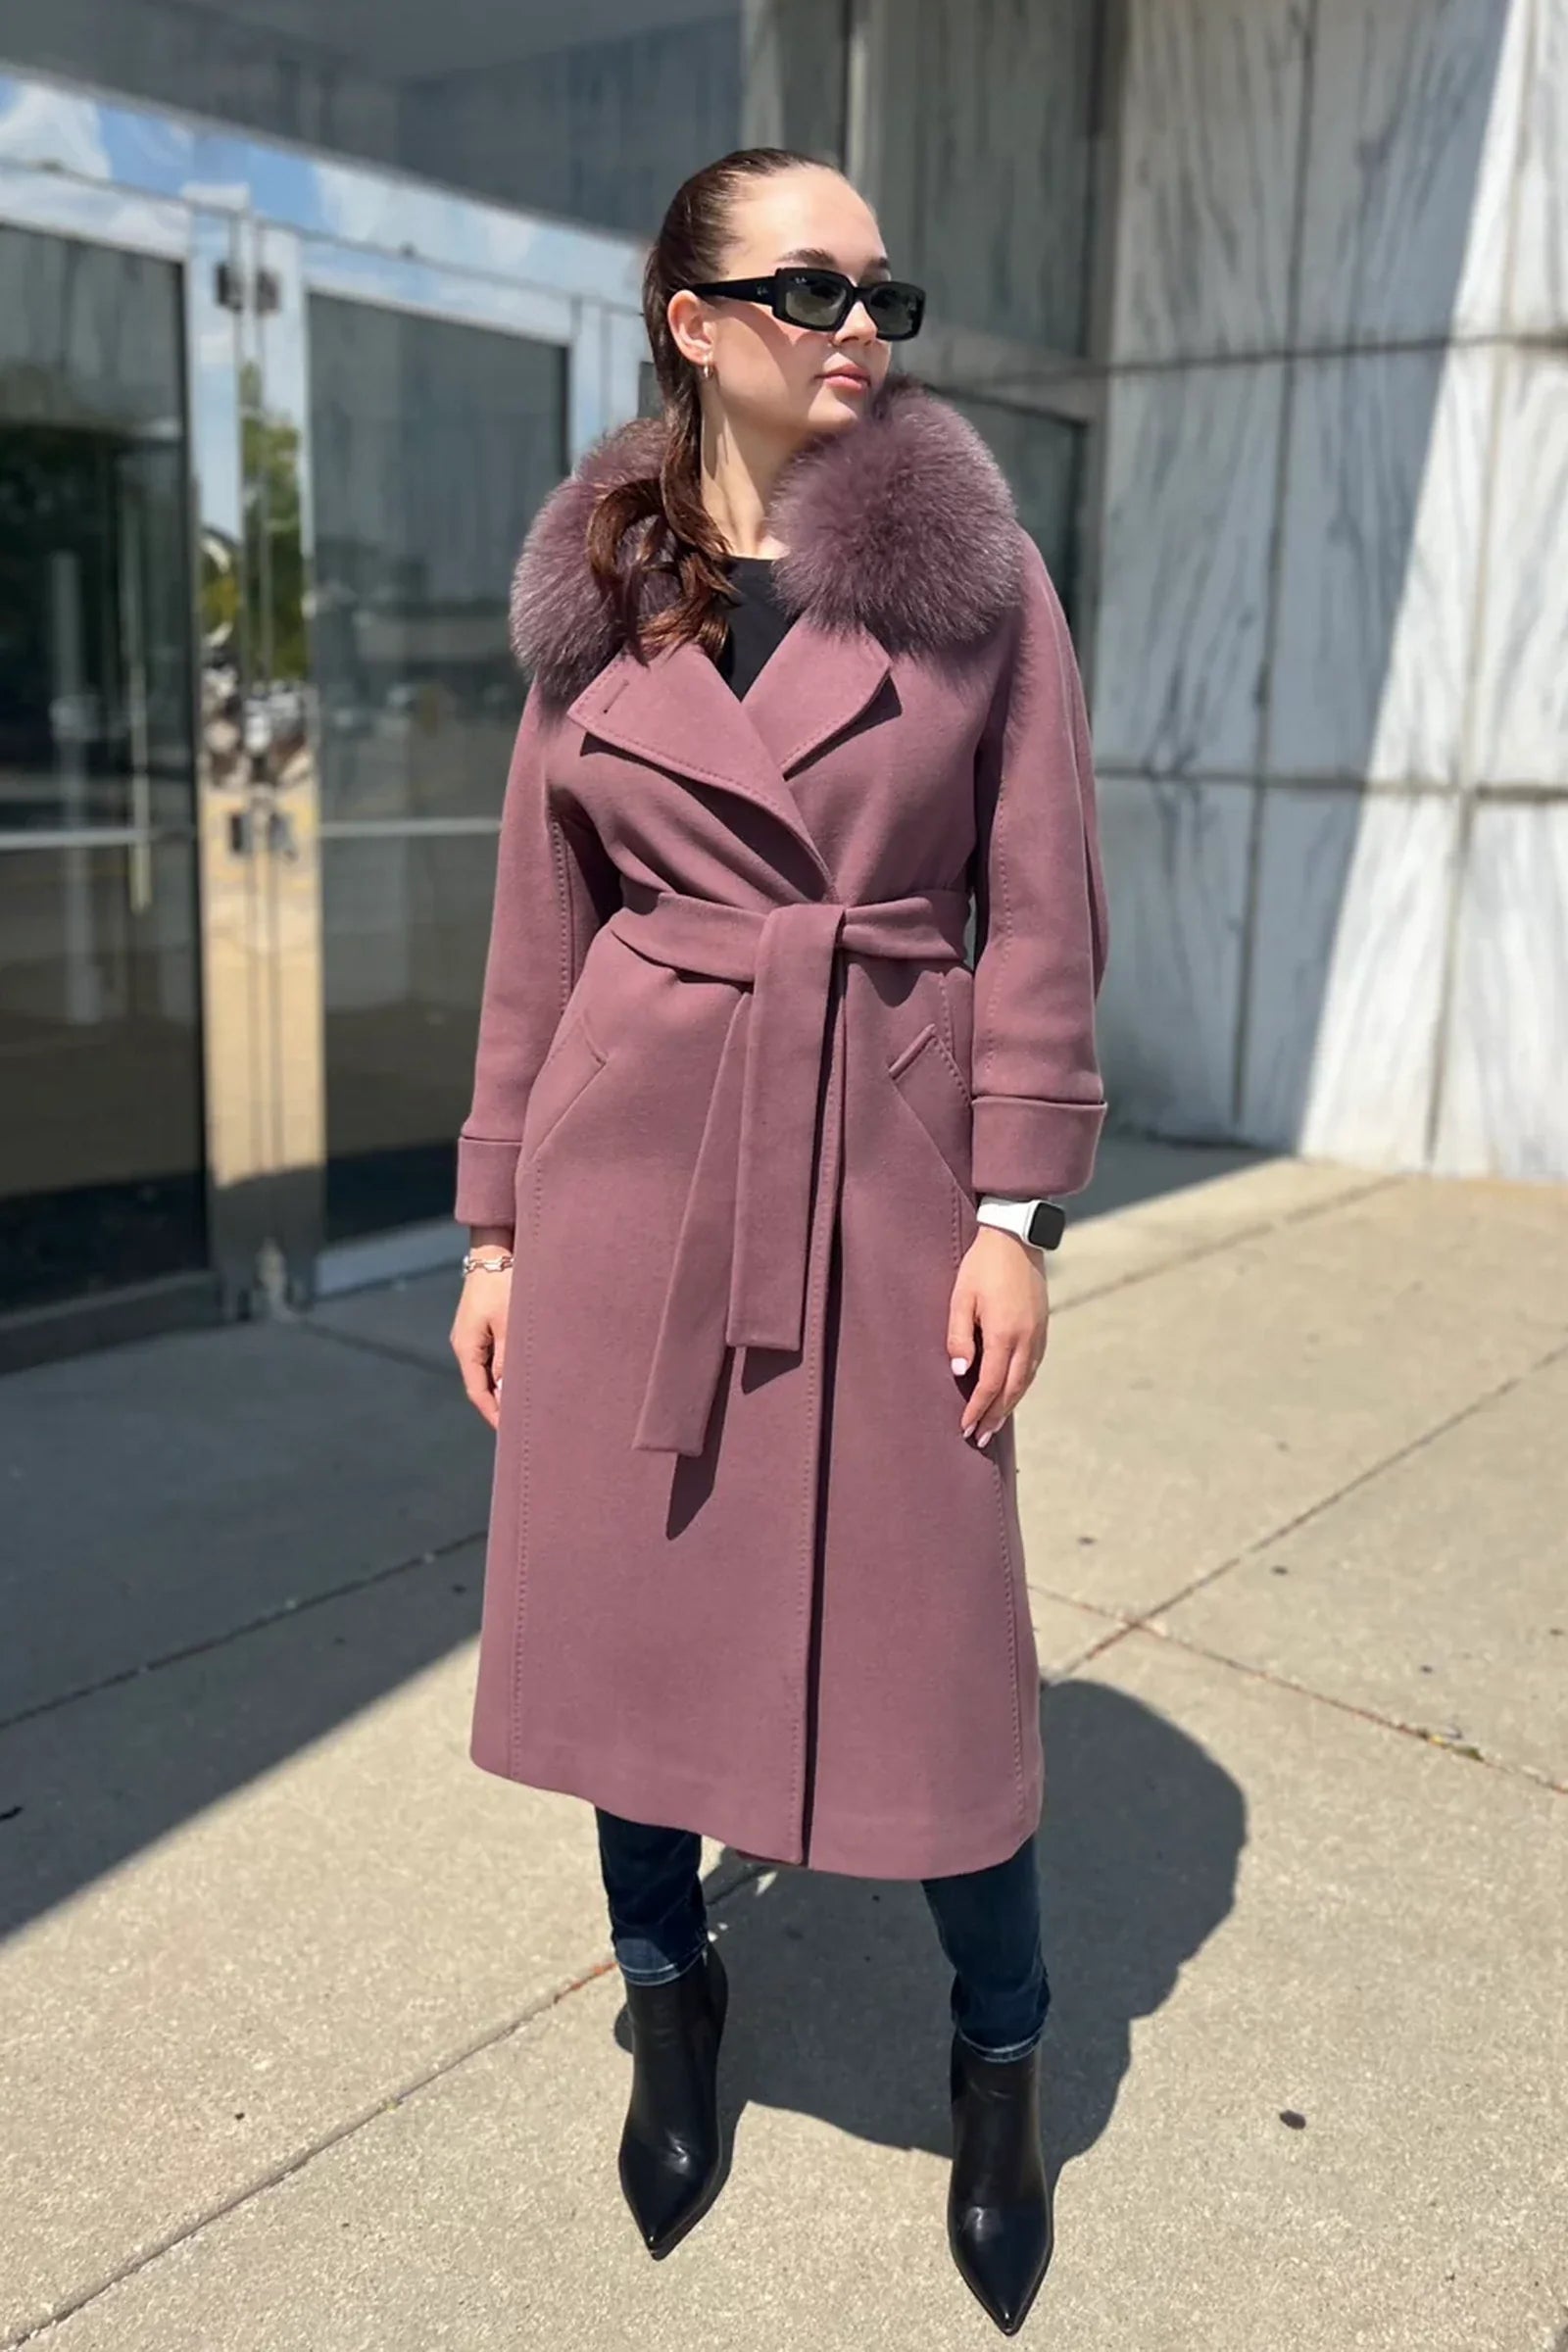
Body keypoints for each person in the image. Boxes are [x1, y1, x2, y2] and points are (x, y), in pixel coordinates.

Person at [449, 145, 1109, 2336]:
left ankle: (995, 2054)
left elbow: (1039, 925)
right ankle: (669, 2001)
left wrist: (1011, 1211)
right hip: (633, 1174)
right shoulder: (595, 600)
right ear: (690, 318)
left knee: (939, 1655)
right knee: (633, 1639)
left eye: (877, 292)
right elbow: (539, 941)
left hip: (891, 1171)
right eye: (804, 283)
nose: (854, 323)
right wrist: (497, 1232)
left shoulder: (974, 578)